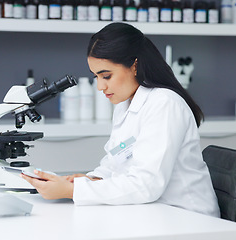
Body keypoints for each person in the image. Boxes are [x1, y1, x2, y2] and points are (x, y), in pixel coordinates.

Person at [21, 22, 220, 217]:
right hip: (152, 211)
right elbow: (116, 161)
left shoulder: (164, 103)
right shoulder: (125, 104)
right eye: (96, 77)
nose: (100, 87)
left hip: (188, 217)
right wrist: (91, 179)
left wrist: (73, 191)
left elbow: (146, 184)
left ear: (134, 66)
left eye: (106, 76)